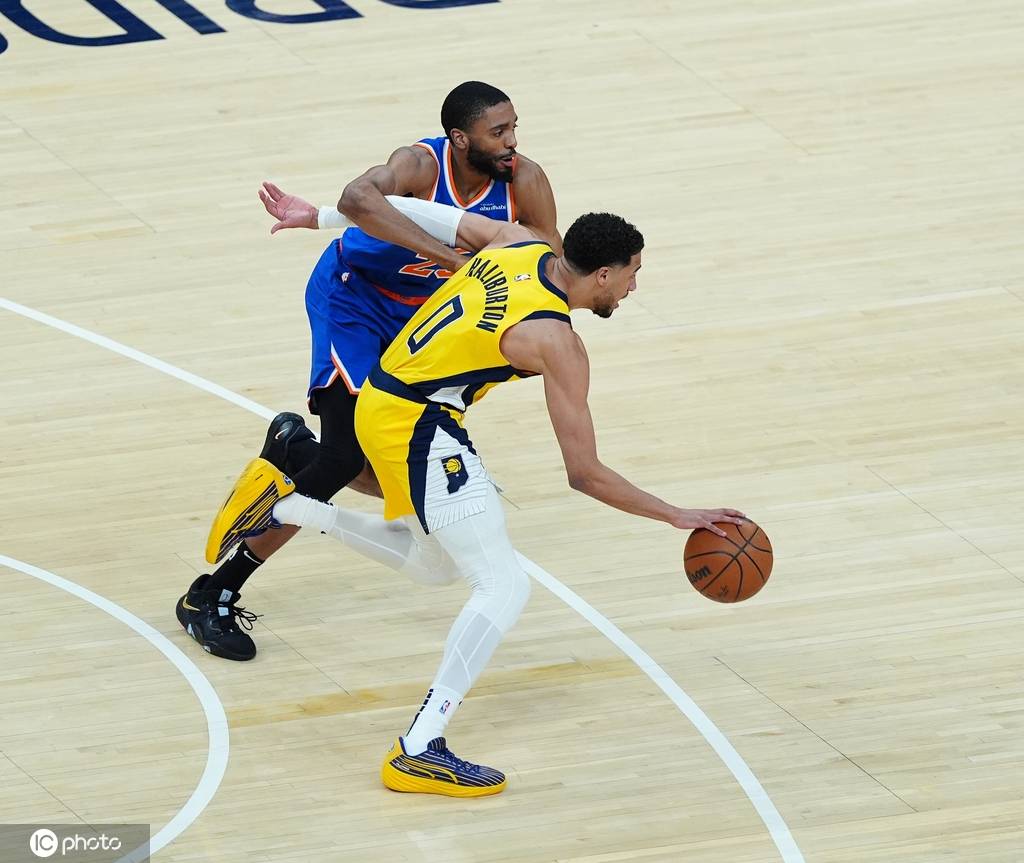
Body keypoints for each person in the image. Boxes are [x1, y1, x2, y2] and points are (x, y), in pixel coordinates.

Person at [205, 199, 747, 796]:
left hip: (383, 401)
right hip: (418, 425)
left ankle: (290, 506)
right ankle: (418, 747)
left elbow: (404, 209)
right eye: (632, 274)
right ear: (602, 275)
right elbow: (584, 473)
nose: (633, 287)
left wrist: (323, 218)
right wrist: (675, 514)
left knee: (438, 565)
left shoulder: (516, 242)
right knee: (504, 586)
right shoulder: (557, 342)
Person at [176, 81, 560, 661]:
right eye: (498, 132)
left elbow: (548, 265)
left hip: (426, 328)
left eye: (514, 129)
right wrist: (452, 260)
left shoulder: (525, 181)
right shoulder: (420, 164)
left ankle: (293, 451)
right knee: (343, 457)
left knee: (388, 476)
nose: (512, 142)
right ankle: (212, 593)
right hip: (354, 301)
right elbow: (358, 198)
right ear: (460, 139)